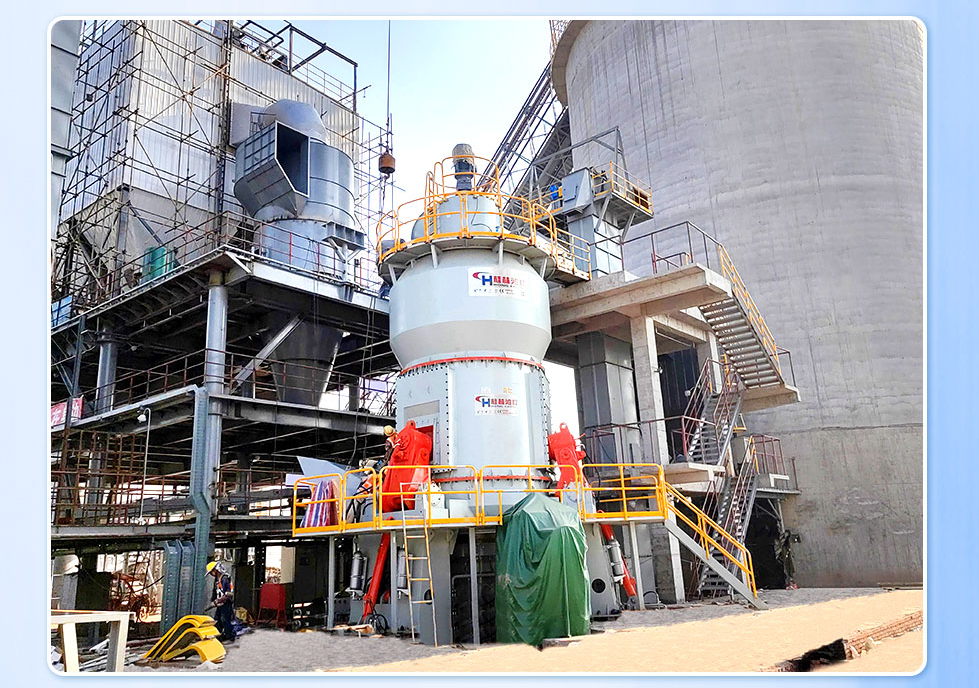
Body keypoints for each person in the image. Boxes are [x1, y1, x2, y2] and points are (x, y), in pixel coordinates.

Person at [204, 561, 237, 642]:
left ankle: (230, 637)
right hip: (220, 604)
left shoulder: (225, 578)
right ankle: (217, 635)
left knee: (225, 620)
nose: (211, 574)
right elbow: (215, 591)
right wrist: (214, 601)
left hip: (226, 603)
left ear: (216, 569)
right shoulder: (217, 580)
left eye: (211, 572)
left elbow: (229, 593)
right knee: (217, 620)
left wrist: (219, 600)